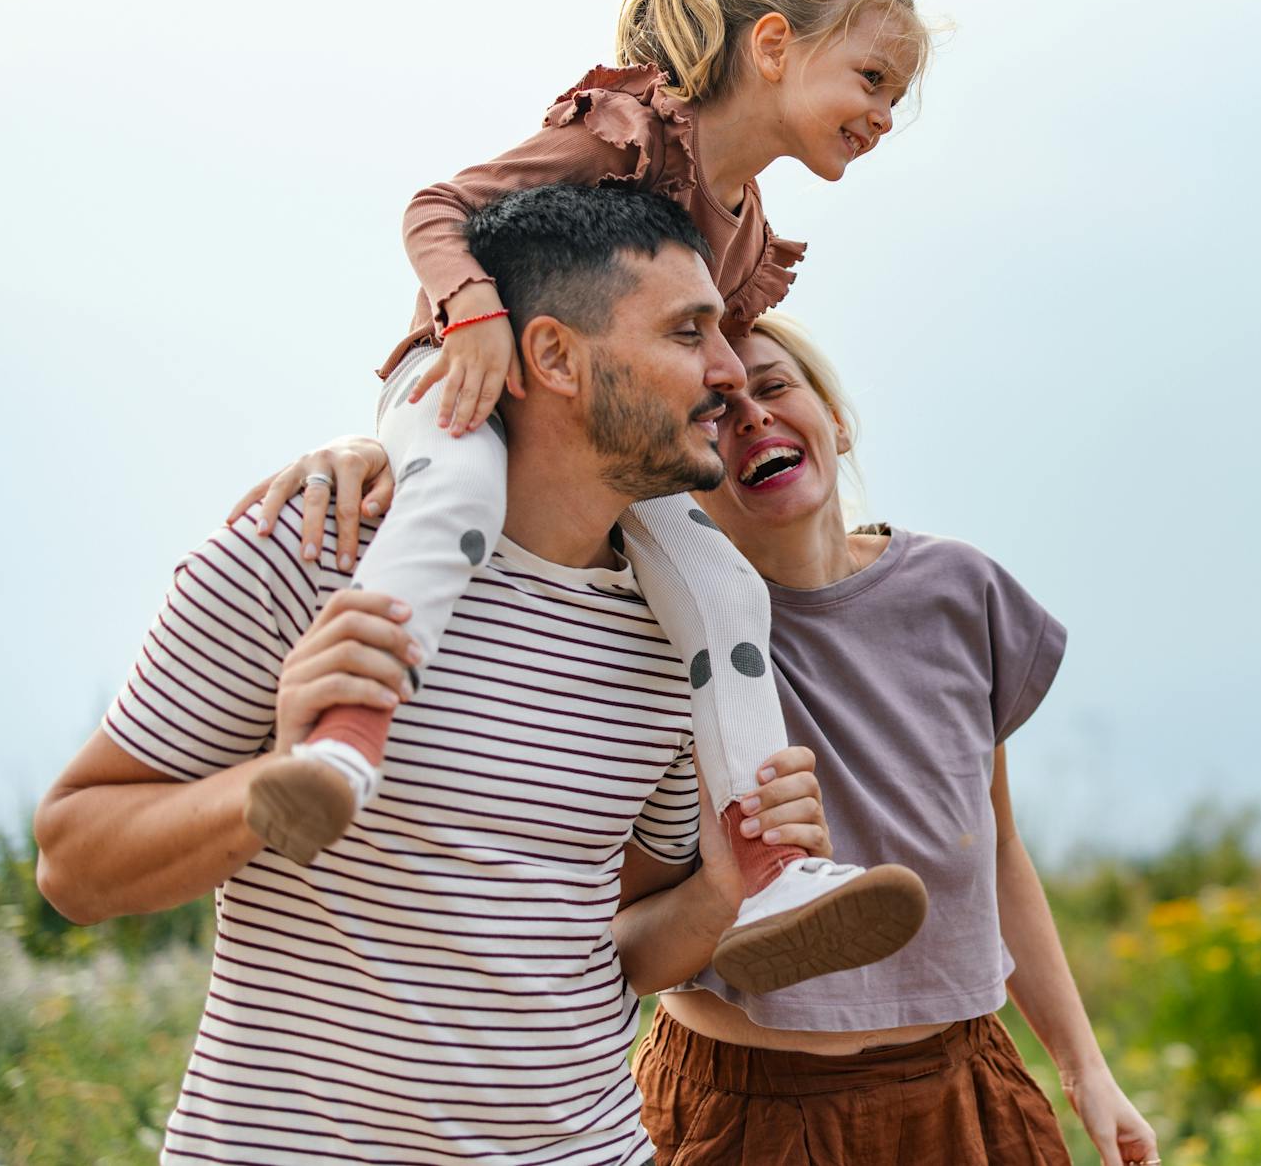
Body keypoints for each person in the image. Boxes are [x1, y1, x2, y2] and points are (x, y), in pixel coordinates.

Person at [35, 187, 844, 1166]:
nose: (728, 374)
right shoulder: (314, 553)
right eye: (688, 334)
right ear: (551, 357)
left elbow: (619, 946)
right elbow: (72, 864)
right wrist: (272, 779)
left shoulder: (686, 633)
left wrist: (721, 891)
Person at [253, 315, 1162, 1166]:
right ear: (682, 459)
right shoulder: (654, 634)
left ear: (836, 421)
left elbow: (999, 851)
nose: (753, 417)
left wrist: (1085, 1068)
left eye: (775, 387)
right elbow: (623, 933)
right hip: (744, 1107)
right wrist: (384, 447)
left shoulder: (962, 592)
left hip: (962, 1083)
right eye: (719, 411)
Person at [239, 0, 931, 992]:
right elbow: (439, 207)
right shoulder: (631, 134)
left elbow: (705, 362)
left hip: (594, 441)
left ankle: (771, 865)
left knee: (723, 588)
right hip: (466, 378)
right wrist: (472, 315)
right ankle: (343, 740)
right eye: (874, 77)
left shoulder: (742, 233)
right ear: (779, 44)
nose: (885, 114)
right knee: (456, 503)